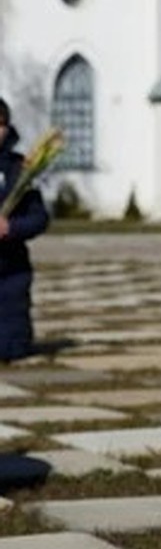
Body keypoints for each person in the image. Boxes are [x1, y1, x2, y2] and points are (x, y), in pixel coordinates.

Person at [0, 99, 50, 363]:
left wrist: (11, 228)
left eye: (0, 124)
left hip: (10, 273)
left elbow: (40, 218)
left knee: (12, 350)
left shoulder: (22, 169)